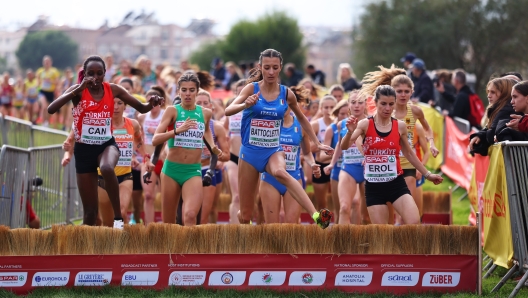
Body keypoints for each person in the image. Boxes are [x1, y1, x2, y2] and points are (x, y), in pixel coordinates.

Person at [48, 55, 163, 227]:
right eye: (90, 73)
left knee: (107, 167)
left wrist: (151, 103)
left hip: (106, 145)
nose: (95, 78)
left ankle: (118, 217)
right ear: (85, 74)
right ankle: (88, 250)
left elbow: (142, 107)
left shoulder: (113, 89)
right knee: (90, 213)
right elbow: (51, 109)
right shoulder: (78, 91)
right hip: (84, 149)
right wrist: (78, 88)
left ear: (105, 74)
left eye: (99, 73)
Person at [224, 49, 334, 228]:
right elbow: (229, 110)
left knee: (281, 172)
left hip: (273, 150)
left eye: (275, 68)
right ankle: (246, 238)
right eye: (266, 67)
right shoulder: (251, 89)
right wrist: (246, 104)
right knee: (245, 215)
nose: (270, 72)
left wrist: (317, 143)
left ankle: (317, 216)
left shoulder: (286, 94)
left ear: (280, 68)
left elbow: (303, 119)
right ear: (260, 67)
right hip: (250, 153)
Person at [344, 85, 443, 224]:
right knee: (383, 234)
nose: (387, 108)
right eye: (383, 104)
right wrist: (349, 132)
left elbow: (409, 152)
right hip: (374, 186)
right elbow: (344, 146)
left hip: (396, 184)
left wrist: (427, 174)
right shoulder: (365, 124)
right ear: (375, 103)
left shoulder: (400, 126)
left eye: (391, 104)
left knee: (414, 222)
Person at [151, 73, 221, 225]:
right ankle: (172, 249)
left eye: (191, 90)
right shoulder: (172, 111)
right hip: (171, 170)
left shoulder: (205, 113)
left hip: (193, 171)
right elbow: (155, 139)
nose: (187, 94)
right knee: (169, 223)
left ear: (197, 91)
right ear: (178, 91)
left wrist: (214, 148)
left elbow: (207, 134)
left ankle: (188, 249)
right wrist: (177, 131)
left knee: (190, 215)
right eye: (184, 90)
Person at [259, 86, 320, 223]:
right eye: (281, 102)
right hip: (270, 179)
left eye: (288, 103)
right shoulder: (269, 123)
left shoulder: (301, 126)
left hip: (293, 177)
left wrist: (313, 164)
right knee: (272, 227)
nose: (285, 106)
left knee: (292, 227)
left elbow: (307, 153)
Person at [195, 89, 230, 224]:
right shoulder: (184, 123)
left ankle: (211, 240)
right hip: (188, 170)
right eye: (199, 103)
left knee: (207, 213)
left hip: (208, 170)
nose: (203, 106)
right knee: (188, 215)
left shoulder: (217, 127)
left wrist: (214, 153)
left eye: (205, 103)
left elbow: (226, 155)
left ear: (211, 106)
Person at [137, 87, 165, 225]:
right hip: (148, 161)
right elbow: (137, 138)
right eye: (149, 102)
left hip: (164, 160)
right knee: (148, 196)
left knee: (167, 197)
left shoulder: (166, 115)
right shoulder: (142, 117)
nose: (151, 105)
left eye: (154, 102)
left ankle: (168, 227)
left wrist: (157, 132)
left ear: (160, 103)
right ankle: (149, 229)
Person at [469, 78, 519, 155]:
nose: (488, 96)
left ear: (504, 93)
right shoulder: (498, 109)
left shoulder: (507, 110)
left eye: (493, 92)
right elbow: (490, 129)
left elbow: (492, 134)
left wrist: (481, 139)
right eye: (488, 92)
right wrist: (480, 136)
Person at [322, 98, 351, 222]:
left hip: (352, 170)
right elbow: (321, 156)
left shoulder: (357, 125)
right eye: (341, 114)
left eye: (347, 114)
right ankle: (339, 239)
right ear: (337, 113)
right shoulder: (332, 128)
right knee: (339, 210)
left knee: (354, 207)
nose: (344, 116)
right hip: (337, 171)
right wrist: (338, 152)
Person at [223, 80, 246, 223]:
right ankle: (235, 235)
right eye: (239, 92)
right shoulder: (231, 110)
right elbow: (224, 128)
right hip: (232, 158)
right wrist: (225, 141)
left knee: (251, 200)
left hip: (250, 158)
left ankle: (251, 232)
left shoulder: (256, 109)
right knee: (236, 197)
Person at [310, 95, 337, 211]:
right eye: (326, 107)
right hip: (320, 166)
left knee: (340, 203)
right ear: (321, 108)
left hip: (336, 165)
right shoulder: (316, 124)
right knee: (321, 204)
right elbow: (308, 148)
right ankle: (323, 227)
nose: (329, 110)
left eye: (332, 107)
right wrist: (321, 146)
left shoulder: (340, 124)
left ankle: (340, 227)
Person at [37, 56, 60, 126]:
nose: (46, 63)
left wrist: (50, 81)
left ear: (51, 63)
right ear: (43, 63)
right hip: (42, 91)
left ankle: (47, 122)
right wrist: (40, 84)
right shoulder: (40, 71)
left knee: (49, 109)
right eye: (45, 62)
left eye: (48, 62)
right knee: (44, 106)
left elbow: (57, 82)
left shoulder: (54, 71)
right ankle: (44, 123)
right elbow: (37, 83)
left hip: (51, 92)